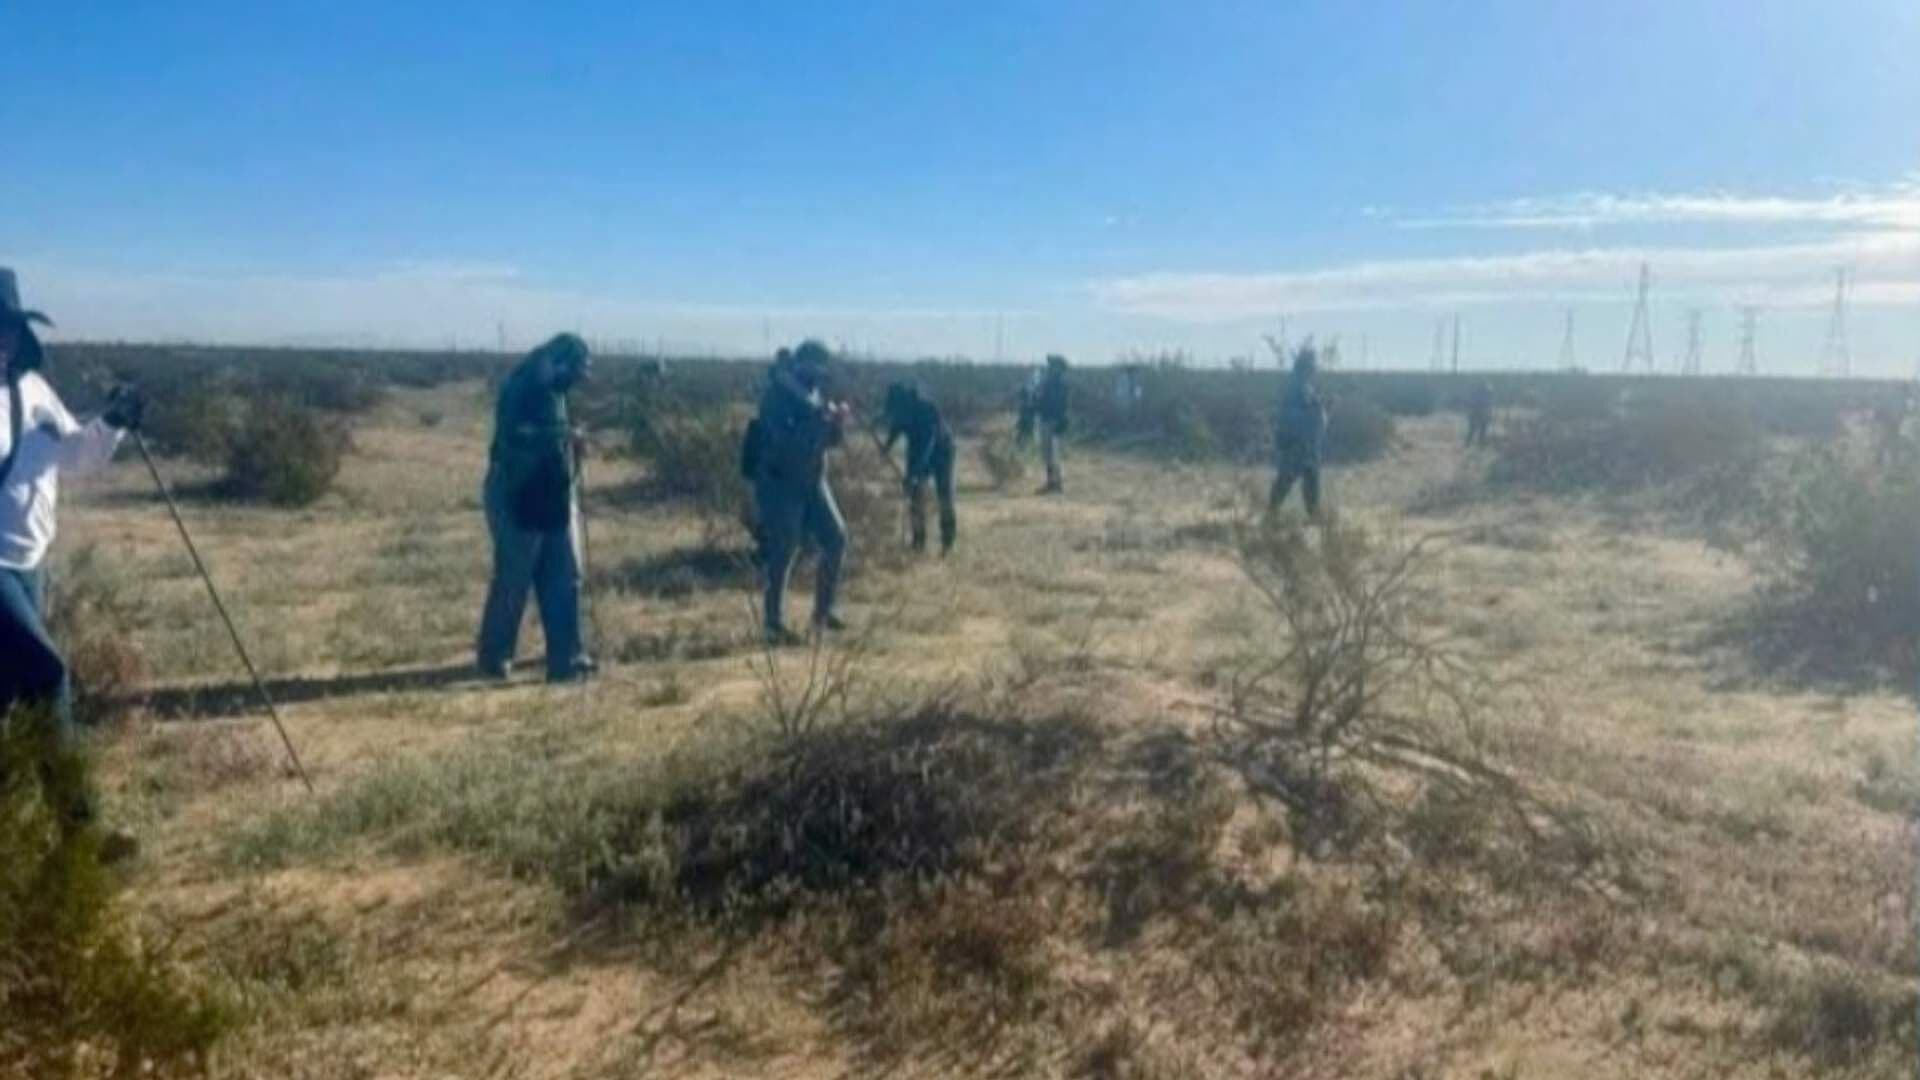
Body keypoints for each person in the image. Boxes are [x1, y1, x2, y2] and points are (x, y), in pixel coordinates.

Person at [0, 267, 142, 847]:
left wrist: (113, 422)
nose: (0, 339)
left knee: (9, 695)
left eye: (6, 328)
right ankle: (80, 833)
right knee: (47, 674)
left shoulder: (34, 391)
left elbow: (76, 456)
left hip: (30, 558)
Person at [476, 333, 597, 683]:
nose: (577, 380)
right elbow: (519, 435)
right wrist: (564, 436)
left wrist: (570, 445)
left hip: (551, 493)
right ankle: (494, 657)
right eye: (576, 371)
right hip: (517, 493)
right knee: (515, 576)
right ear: (559, 362)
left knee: (564, 574)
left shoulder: (554, 391)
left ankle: (566, 657)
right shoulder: (524, 386)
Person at [753, 340, 851, 645]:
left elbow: (827, 442)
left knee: (836, 538)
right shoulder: (776, 398)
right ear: (803, 364)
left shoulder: (813, 394)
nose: (822, 375)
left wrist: (836, 424)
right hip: (782, 482)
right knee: (784, 548)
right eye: (818, 367)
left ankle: (823, 612)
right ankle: (773, 623)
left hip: (814, 480)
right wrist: (819, 422)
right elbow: (786, 444)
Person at [882, 382, 957, 555]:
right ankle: (918, 541)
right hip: (917, 449)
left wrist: (915, 473)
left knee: (943, 494)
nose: (895, 413)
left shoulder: (927, 409)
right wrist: (886, 447)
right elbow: (895, 428)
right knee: (915, 495)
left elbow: (928, 445)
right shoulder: (902, 410)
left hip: (942, 451)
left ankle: (948, 541)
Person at [1270, 344, 1327, 516]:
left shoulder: (1301, 385)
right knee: (1288, 478)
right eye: (1313, 364)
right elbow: (1300, 413)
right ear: (1306, 366)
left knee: (1308, 479)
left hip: (1302, 442)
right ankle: (1272, 513)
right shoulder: (1298, 386)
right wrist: (1320, 408)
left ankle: (1312, 515)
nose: (1315, 368)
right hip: (1298, 442)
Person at [1036, 354, 1070, 494]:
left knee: (1054, 454)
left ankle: (1056, 483)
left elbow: (1061, 404)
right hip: (1047, 420)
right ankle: (1052, 482)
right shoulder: (1049, 382)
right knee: (1048, 454)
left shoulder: (1059, 384)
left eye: (1052, 365)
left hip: (1054, 421)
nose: (1049, 367)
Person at [1465, 379, 1494, 448]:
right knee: (1474, 430)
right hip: (1477, 415)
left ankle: (1478, 444)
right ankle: (1470, 444)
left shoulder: (1482, 396)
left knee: (1480, 430)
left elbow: (1488, 408)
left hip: (1480, 416)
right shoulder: (1480, 396)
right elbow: (1474, 406)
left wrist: (1489, 415)